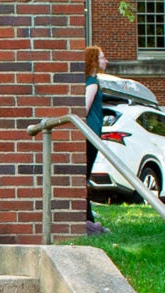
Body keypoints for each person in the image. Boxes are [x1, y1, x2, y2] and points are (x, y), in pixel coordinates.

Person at [85, 45, 109, 233]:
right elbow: (85, 108)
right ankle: (88, 220)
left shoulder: (90, 81)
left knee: (84, 177)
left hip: (91, 134)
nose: (105, 60)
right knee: (84, 178)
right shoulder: (92, 82)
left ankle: (88, 218)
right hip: (90, 134)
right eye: (102, 57)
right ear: (94, 60)